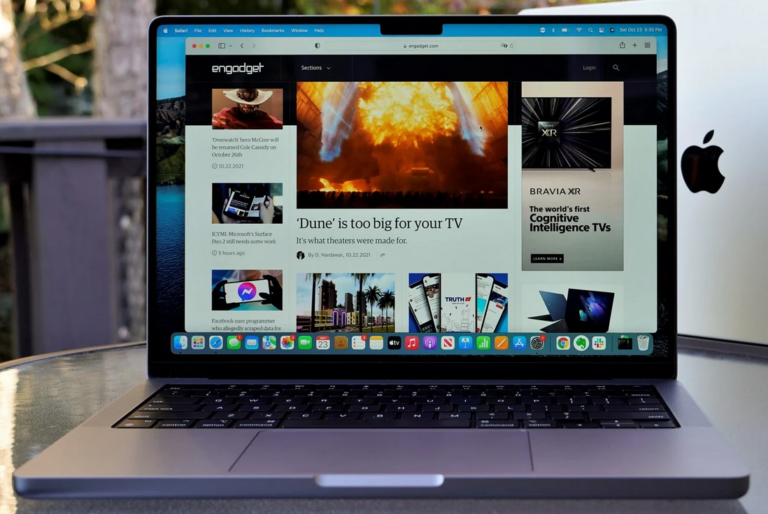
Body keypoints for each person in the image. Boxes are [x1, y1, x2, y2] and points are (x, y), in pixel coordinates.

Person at [212, 89, 283, 130]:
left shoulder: (268, 121)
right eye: (243, 103)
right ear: (237, 103)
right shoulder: (225, 116)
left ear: (257, 104)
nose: (246, 105)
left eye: (250, 104)